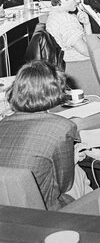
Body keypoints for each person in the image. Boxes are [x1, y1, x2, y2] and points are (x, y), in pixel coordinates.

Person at [0, 60, 92, 210]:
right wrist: (73, 159)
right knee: (79, 174)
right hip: (45, 212)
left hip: (7, 213)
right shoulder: (63, 127)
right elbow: (64, 185)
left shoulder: (3, 124)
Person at [46, 0, 93, 86]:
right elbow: (86, 51)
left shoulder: (55, 14)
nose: (78, 1)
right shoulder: (66, 21)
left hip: (75, 65)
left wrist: (87, 24)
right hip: (82, 68)